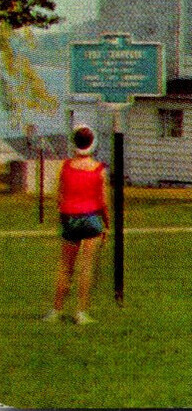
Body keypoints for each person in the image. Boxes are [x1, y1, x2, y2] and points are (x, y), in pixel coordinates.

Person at [44, 126, 108, 325]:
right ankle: (81, 312)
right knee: (86, 267)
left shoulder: (66, 167)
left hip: (69, 217)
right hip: (91, 218)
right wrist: (106, 224)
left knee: (65, 267)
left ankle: (56, 309)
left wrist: (61, 214)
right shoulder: (99, 170)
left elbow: (59, 194)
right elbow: (103, 201)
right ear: (92, 143)